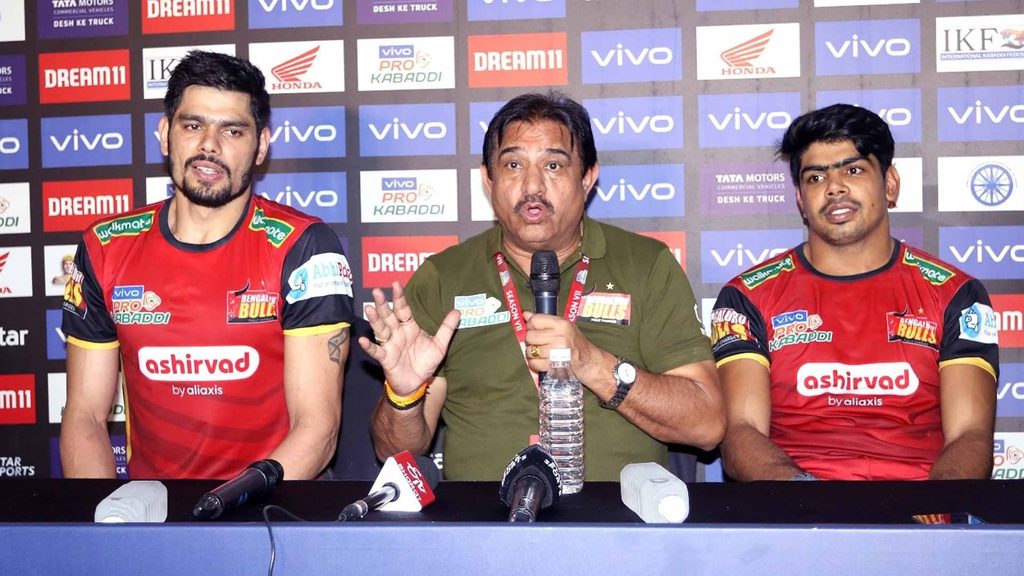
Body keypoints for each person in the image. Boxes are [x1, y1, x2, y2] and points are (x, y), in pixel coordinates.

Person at [361, 92, 724, 481]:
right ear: (489, 178)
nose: (532, 186)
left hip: (617, 525)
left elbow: (706, 424)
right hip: (481, 530)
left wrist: (590, 362)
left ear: (588, 177)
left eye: (553, 165)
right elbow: (394, 451)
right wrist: (404, 396)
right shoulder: (443, 276)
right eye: (514, 164)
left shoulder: (646, 264)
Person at [59, 51, 354, 480]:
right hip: (152, 515)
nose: (209, 146)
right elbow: (84, 415)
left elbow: (318, 428)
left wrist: (228, 514)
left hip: (269, 514)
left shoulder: (303, 246)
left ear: (261, 147)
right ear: (165, 135)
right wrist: (110, 530)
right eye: (193, 125)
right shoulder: (105, 247)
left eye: (232, 130)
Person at [710, 103, 999, 481]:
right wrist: (814, 508)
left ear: (890, 183)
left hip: (920, 516)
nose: (834, 188)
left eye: (853, 169)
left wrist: (931, 527)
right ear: (800, 199)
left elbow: (970, 436)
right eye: (815, 178)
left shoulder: (956, 294)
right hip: (797, 513)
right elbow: (741, 432)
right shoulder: (747, 297)